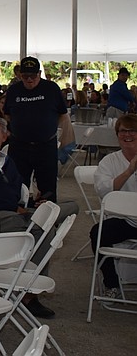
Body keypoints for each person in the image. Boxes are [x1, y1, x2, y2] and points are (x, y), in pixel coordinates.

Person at [0, 115, 76, 318]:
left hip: (15, 212)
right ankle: (29, 295)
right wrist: (15, 207)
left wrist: (30, 203)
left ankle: (30, 285)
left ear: (4, 136)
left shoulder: (8, 162)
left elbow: (16, 190)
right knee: (37, 229)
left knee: (63, 213)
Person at [3, 57, 70, 203]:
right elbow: (7, 114)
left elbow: (62, 114)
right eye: (25, 76)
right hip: (19, 146)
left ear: (39, 73)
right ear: (20, 75)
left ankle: (48, 222)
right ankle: (18, 219)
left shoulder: (51, 88)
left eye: (33, 76)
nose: (29, 80)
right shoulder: (14, 90)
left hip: (45, 146)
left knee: (48, 189)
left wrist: (47, 128)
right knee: (17, 186)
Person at [89, 114, 137, 298]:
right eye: (122, 131)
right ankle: (111, 283)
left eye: (132, 130)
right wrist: (129, 171)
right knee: (98, 232)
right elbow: (104, 192)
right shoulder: (109, 161)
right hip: (124, 221)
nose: (127, 135)